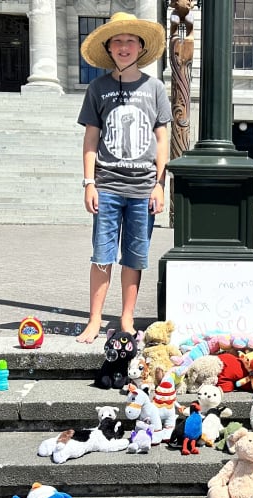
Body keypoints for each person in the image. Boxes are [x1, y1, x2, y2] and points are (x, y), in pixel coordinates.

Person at [75, 12, 172, 344]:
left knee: (134, 255)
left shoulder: (155, 88)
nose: (124, 46)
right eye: (117, 41)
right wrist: (89, 182)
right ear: (109, 48)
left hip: (143, 187)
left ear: (141, 47)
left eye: (131, 40)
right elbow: (91, 139)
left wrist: (160, 185)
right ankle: (94, 320)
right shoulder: (98, 89)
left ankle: (127, 318)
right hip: (107, 186)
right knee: (102, 255)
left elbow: (162, 139)